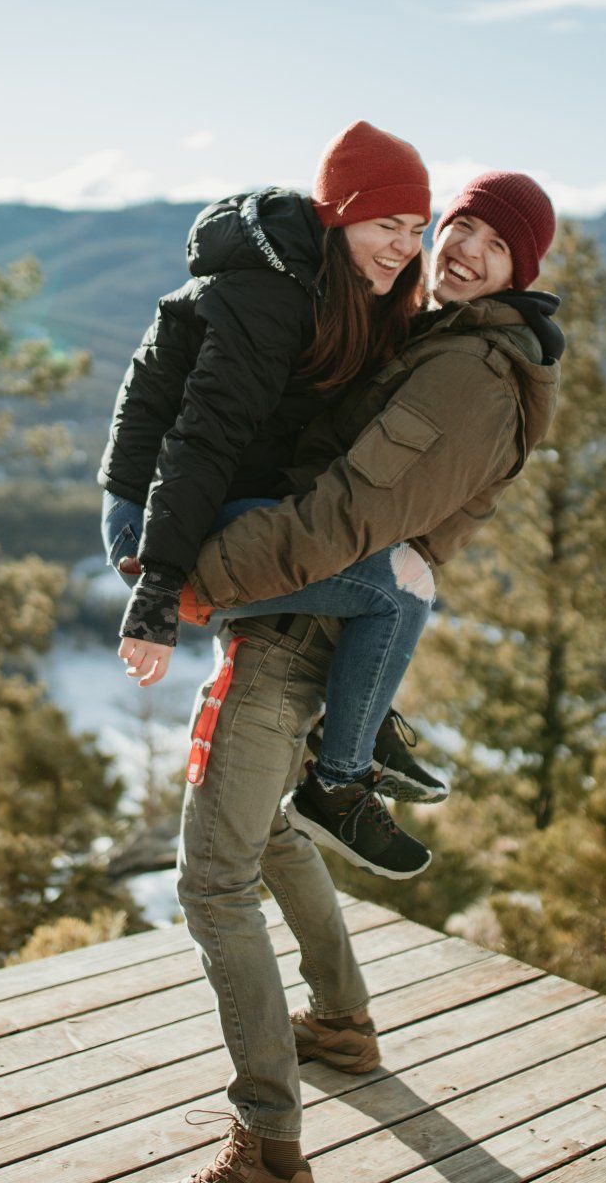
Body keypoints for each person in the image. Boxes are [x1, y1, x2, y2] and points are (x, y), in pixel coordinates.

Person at [173, 172, 562, 1183]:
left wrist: (191, 581)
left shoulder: (471, 371)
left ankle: (267, 1142)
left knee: (214, 876)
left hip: (297, 615)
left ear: (526, 272)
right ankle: (341, 1021)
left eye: (494, 243)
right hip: (306, 607)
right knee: (263, 831)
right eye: (460, 225)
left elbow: (342, 520)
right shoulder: (443, 338)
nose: (463, 248)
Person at [99, 120, 437, 877]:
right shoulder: (268, 293)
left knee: (387, 574)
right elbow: (202, 443)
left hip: (223, 503)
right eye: (386, 224)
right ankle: (341, 783)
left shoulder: (350, 287)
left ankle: (363, 722)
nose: (403, 244)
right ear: (337, 214)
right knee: (396, 593)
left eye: (417, 228)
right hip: (151, 513)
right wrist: (157, 590)